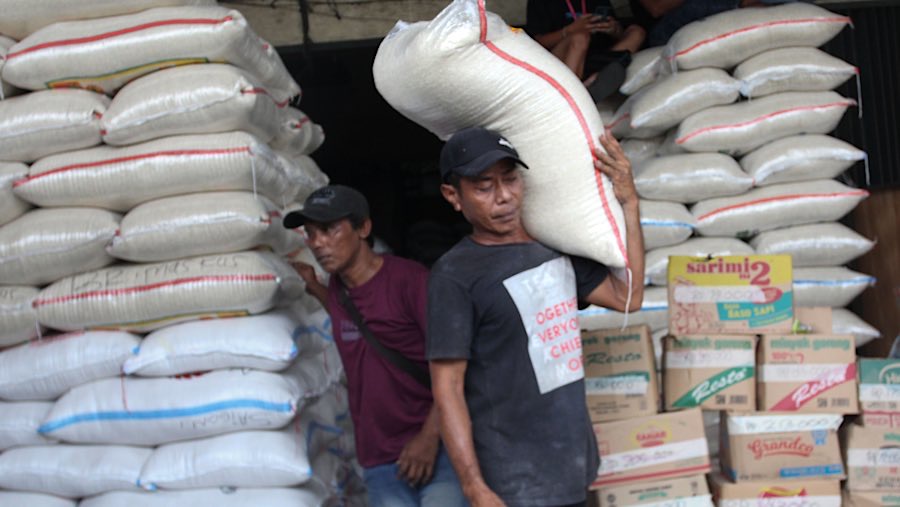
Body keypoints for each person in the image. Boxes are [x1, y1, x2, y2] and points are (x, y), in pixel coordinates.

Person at [427, 127, 646, 507]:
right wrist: (474, 486)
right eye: (484, 187)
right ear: (453, 196)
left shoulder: (554, 248)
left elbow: (628, 296)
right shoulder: (455, 275)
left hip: (574, 466)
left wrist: (629, 204)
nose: (504, 196)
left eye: (510, 179)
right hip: (512, 481)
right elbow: (448, 388)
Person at [283, 185, 467, 507]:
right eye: (311, 234)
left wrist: (428, 438)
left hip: (438, 449)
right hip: (380, 458)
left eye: (329, 230)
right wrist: (314, 287)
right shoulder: (339, 290)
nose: (318, 244)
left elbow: (457, 364)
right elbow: (354, 321)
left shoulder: (411, 282)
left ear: (364, 228)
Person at [527, 0, 646, 101]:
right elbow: (538, 43)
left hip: (597, 58)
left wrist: (613, 29)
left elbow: (619, 33)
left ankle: (594, 81)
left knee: (637, 32)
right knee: (580, 37)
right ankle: (572, 97)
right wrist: (569, 30)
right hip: (563, 62)